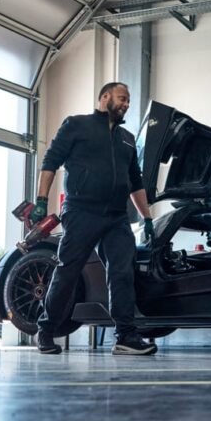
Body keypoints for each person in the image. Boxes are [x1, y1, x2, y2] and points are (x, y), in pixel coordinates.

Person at [30, 82, 157, 356]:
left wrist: (147, 218)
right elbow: (50, 162)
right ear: (105, 97)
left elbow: (135, 182)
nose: (126, 104)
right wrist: (41, 200)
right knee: (68, 271)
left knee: (122, 272)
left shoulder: (126, 138)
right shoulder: (76, 125)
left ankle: (124, 336)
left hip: (116, 217)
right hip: (81, 211)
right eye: (122, 98)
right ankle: (46, 330)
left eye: (129, 100)